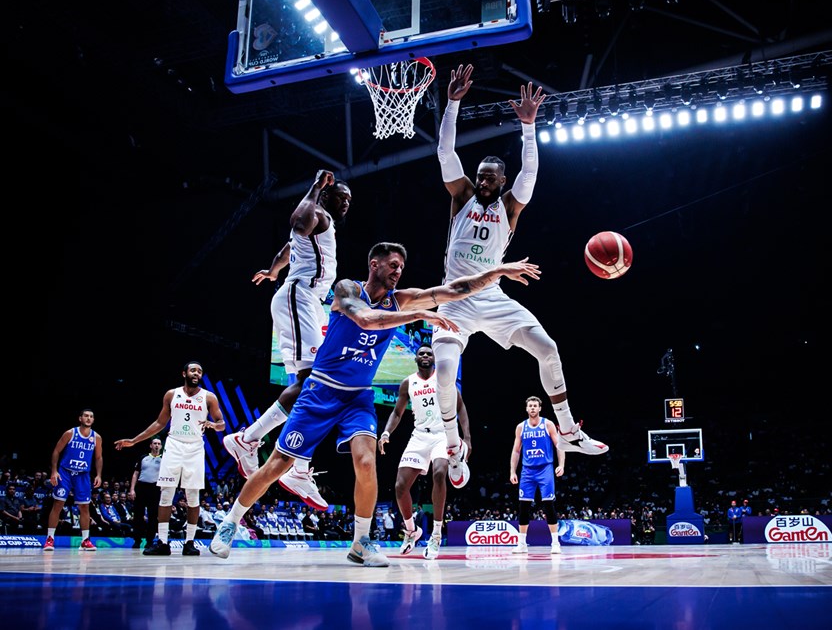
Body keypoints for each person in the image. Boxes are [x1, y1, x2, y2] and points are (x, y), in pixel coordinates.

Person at [208, 241, 540, 567]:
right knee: (277, 465)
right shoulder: (347, 290)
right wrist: (420, 314)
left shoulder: (402, 300)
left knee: (367, 462)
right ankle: (230, 522)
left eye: (402, 267)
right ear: (375, 264)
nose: (398, 271)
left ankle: (360, 542)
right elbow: (366, 320)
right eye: (393, 264)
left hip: (358, 396)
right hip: (321, 389)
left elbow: (455, 289)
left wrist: (499, 271)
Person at [432, 64, 607, 489]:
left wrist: (528, 128)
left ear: (502, 181)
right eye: (480, 176)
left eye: (490, 177)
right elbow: (444, 152)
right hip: (455, 298)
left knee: (548, 349)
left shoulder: (510, 207)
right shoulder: (461, 198)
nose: (483, 181)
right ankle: (454, 447)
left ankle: (567, 429)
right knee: (442, 371)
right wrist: (453, 103)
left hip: (492, 297)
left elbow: (530, 173)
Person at [224, 169, 352, 512]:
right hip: (300, 299)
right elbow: (296, 225)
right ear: (325, 197)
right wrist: (314, 187)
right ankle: (261, 446)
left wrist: (273, 270)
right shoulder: (317, 214)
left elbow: (288, 246)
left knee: (307, 385)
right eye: (340, 197)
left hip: (302, 299)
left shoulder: (324, 223)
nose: (345, 203)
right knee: (315, 383)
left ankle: (266, 448)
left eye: (349, 200)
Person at [115, 361, 226, 557]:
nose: (196, 373)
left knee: (193, 496)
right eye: (193, 370)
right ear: (184, 373)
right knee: (166, 495)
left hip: (195, 447)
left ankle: (189, 542)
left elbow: (222, 424)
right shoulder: (171, 394)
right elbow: (159, 423)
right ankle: (163, 542)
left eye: (199, 371)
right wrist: (134, 440)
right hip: (174, 444)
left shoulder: (209, 397)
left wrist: (213, 424)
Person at [378, 344, 472, 560]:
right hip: (419, 435)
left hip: (442, 434)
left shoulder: (444, 379)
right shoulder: (408, 383)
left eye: (429, 353)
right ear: (416, 359)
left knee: (439, 473)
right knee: (400, 486)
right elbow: (397, 412)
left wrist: (467, 438)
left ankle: (436, 534)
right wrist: (385, 433)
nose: (426, 356)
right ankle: (412, 531)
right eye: (422, 353)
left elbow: (461, 408)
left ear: (434, 358)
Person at [509, 396, 565, 555]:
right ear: (526, 409)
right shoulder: (521, 427)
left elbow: (559, 445)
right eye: (530, 406)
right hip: (527, 470)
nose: (533, 408)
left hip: (545, 468)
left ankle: (555, 543)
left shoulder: (547, 424)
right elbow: (516, 450)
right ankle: (522, 544)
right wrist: (513, 471)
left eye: (535, 405)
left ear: (540, 408)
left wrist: (561, 465)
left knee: (548, 504)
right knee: (523, 507)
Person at [42, 409, 103, 551]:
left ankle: (85, 540)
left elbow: (98, 457)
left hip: (83, 474)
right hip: (65, 473)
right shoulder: (70, 433)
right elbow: (56, 451)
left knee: (84, 506)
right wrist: (54, 471)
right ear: (80, 418)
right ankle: (50, 539)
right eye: (86, 416)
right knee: (58, 504)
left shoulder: (97, 437)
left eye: (91, 417)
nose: (88, 418)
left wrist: (99, 475)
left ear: (93, 420)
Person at [128, 437, 163, 550]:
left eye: (159, 444)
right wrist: (132, 489)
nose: (157, 445)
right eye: (155, 443)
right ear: (150, 446)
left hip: (155, 488)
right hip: (142, 487)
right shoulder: (143, 457)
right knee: (138, 515)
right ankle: (137, 540)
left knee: (153, 516)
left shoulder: (164, 459)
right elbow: (135, 474)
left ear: (161, 446)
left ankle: (149, 541)